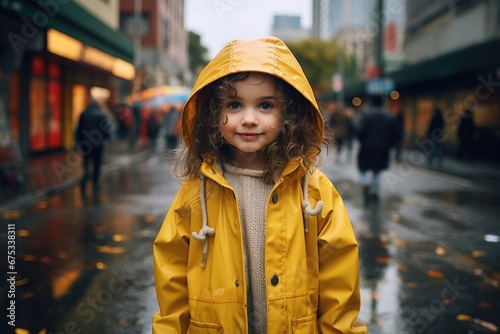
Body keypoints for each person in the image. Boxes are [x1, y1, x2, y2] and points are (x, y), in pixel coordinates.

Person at [152, 37, 367, 334]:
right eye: (234, 104)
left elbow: (339, 281)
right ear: (213, 114)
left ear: (289, 114)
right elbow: (171, 274)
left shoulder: (314, 191)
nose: (249, 119)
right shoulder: (196, 191)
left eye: (265, 105)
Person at [356, 94, 399, 202]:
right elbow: (395, 134)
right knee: (377, 171)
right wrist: (388, 145)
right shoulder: (389, 116)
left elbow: (360, 131)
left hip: (367, 147)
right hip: (382, 149)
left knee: (363, 168)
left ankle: (365, 183)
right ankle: (375, 191)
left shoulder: (366, 115)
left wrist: (363, 141)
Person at [76, 98, 113, 197]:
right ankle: (95, 183)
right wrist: (107, 139)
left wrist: (78, 143)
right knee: (97, 164)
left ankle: (86, 175)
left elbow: (78, 130)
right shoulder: (101, 115)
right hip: (97, 144)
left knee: (86, 161)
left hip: (86, 144)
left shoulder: (83, 114)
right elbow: (106, 130)